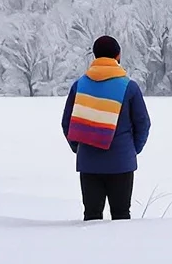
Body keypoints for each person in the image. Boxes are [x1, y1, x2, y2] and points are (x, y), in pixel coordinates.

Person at [61, 34, 151, 220]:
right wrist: (131, 150)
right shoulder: (129, 87)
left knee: (92, 216)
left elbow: (67, 123)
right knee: (121, 216)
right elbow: (143, 123)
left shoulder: (79, 85)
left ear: (94, 56)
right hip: (121, 162)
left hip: (89, 162)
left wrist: (80, 148)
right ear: (118, 56)